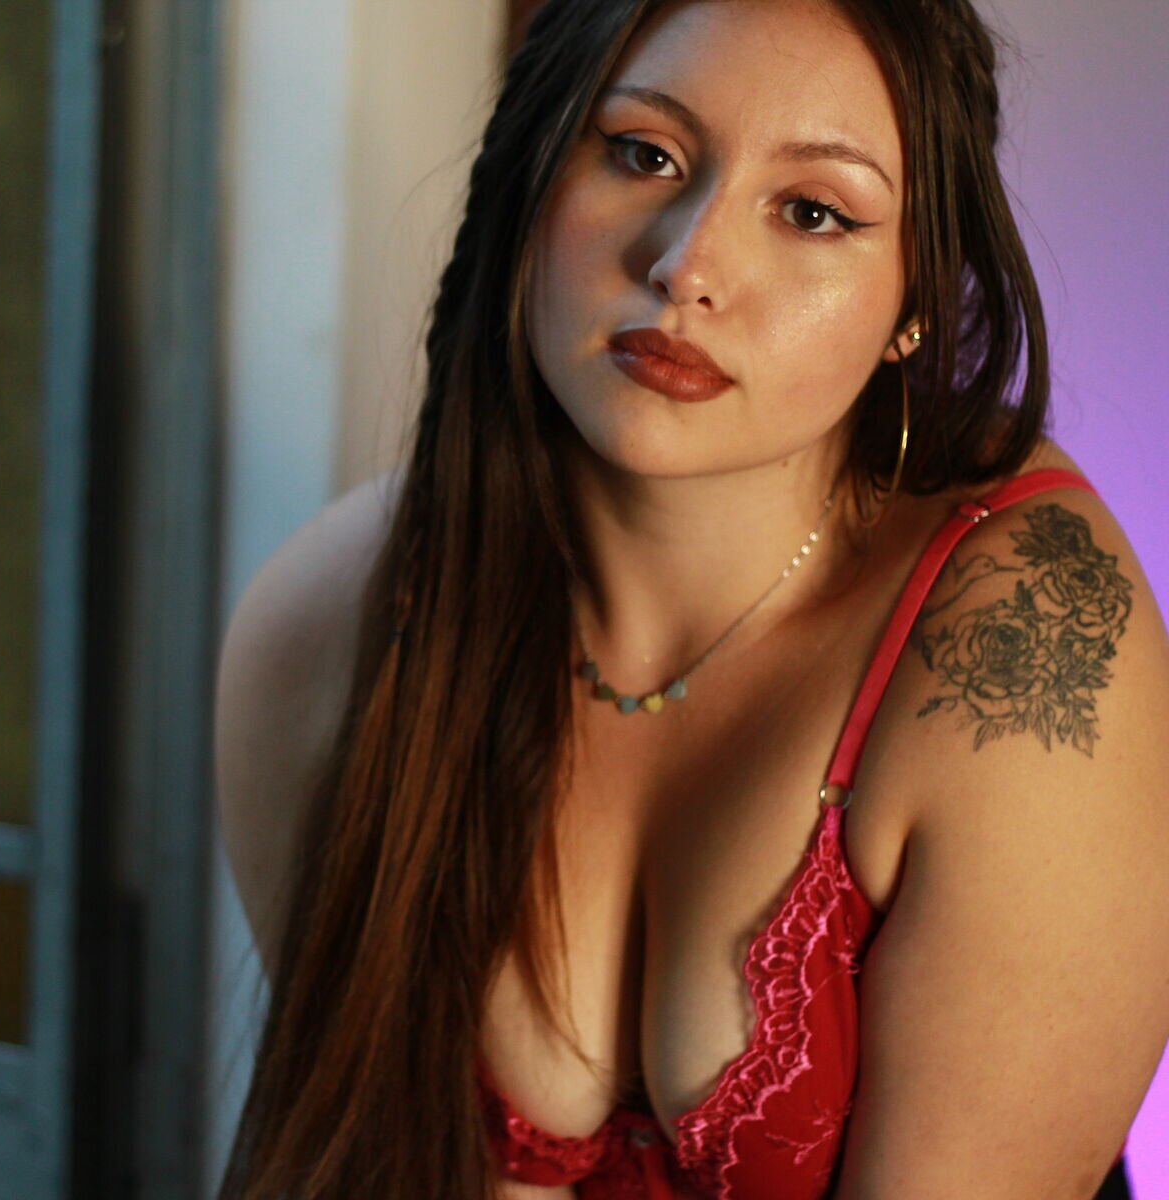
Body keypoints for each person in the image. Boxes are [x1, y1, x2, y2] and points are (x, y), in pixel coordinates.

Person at [213, 0, 1169, 1196]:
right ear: (532, 171)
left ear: (914, 302)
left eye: (813, 212)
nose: (688, 266)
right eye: (642, 154)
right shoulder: (332, 625)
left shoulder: (1024, 641)